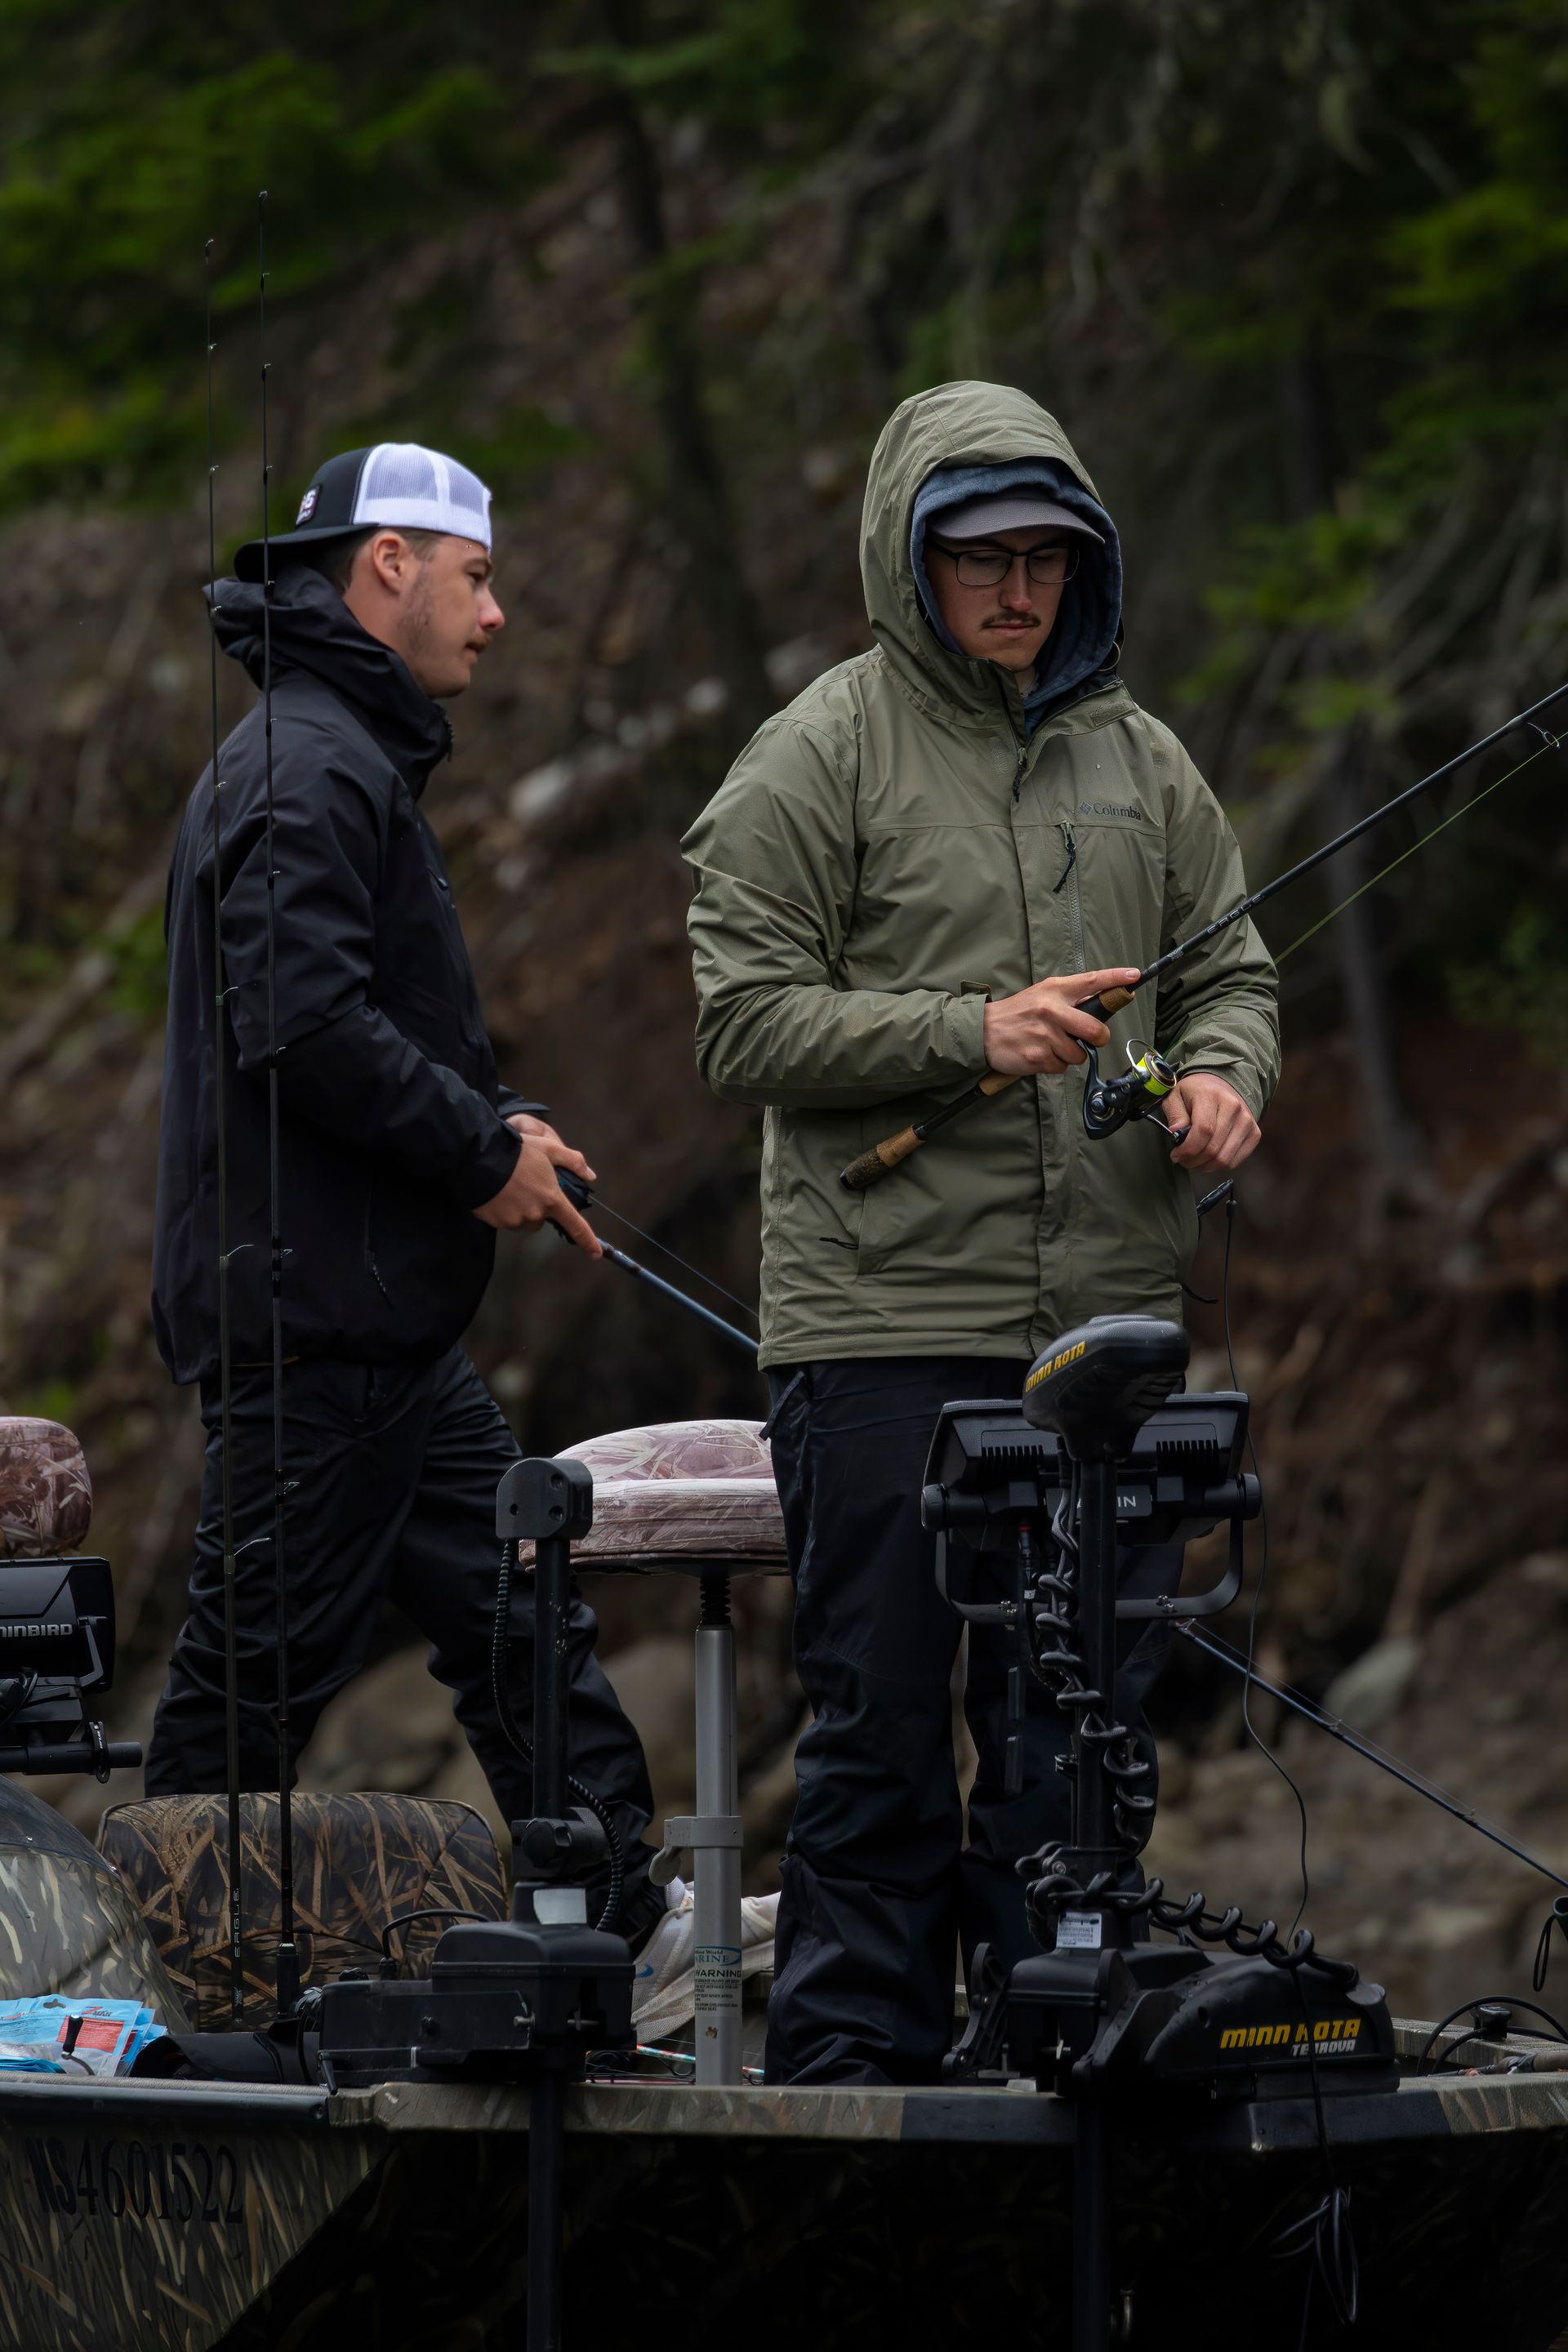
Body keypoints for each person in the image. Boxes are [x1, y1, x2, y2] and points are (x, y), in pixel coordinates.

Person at [683, 381, 1279, 2085]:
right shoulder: (814, 755)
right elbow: (740, 1026)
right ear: (908, 561)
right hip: (881, 1333)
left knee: (1076, 1728)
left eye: (1044, 558)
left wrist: (1227, 1081)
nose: (1016, 592)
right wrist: (970, 1029)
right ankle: (851, 2078)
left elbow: (1230, 970)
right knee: (877, 1728)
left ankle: (1061, 2048)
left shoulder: (1143, 759)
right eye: (979, 559)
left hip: (1107, 1334)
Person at [146, 442, 670, 1954]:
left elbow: (338, 1018)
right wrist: (474, 1150)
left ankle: (617, 1921)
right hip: (311, 1329)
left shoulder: (339, 754)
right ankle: (150, 2007)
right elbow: (294, 1018)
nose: (496, 615)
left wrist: (492, 1121)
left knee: (524, 1623)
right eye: (478, 577)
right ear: (389, 564)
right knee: (246, 1703)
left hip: (381, 1324)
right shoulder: (307, 759)